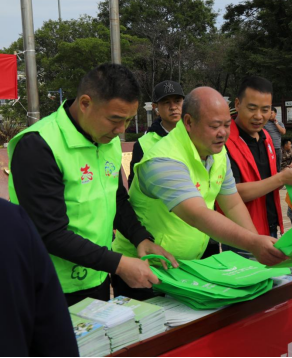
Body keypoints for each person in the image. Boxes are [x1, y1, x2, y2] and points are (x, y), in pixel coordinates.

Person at [8, 63, 177, 307]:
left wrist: (141, 238)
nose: (121, 131)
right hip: (50, 286)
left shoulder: (107, 140)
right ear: (85, 103)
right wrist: (119, 264)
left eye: (128, 121)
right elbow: (49, 232)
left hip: (96, 275)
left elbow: (115, 198)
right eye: (115, 120)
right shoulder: (38, 145)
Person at [113, 87, 287, 299]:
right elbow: (197, 214)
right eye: (214, 126)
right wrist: (253, 244)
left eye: (226, 125)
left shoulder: (217, 151)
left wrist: (257, 245)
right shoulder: (163, 159)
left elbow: (231, 203)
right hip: (145, 268)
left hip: (188, 267)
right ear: (188, 122)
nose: (223, 133)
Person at [226, 77, 292, 238]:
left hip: (271, 226)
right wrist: (280, 179)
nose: (259, 116)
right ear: (237, 104)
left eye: (265, 110)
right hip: (242, 234)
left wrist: (288, 177)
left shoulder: (266, 137)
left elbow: (270, 183)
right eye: (252, 108)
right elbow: (231, 193)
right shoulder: (224, 142)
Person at [1, 199, 79, 357]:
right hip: (69, 280)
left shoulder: (11, 220)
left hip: (94, 274)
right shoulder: (10, 220)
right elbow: (54, 339)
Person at [128, 80, 185, 189]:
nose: (173, 107)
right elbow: (134, 185)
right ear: (155, 108)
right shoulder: (143, 144)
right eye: (166, 102)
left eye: (177, 101)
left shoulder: (196, 137)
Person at [264, 106, 287, 172]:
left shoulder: (279, 123)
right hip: (268, 148)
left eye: (271, 113)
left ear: (275, 114)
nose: (270, 115)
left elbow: (283, 132)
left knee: (278, 166)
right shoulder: (264, 124)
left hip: (277, 148)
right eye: (268, 113)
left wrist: (276, 123)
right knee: (268, 166)